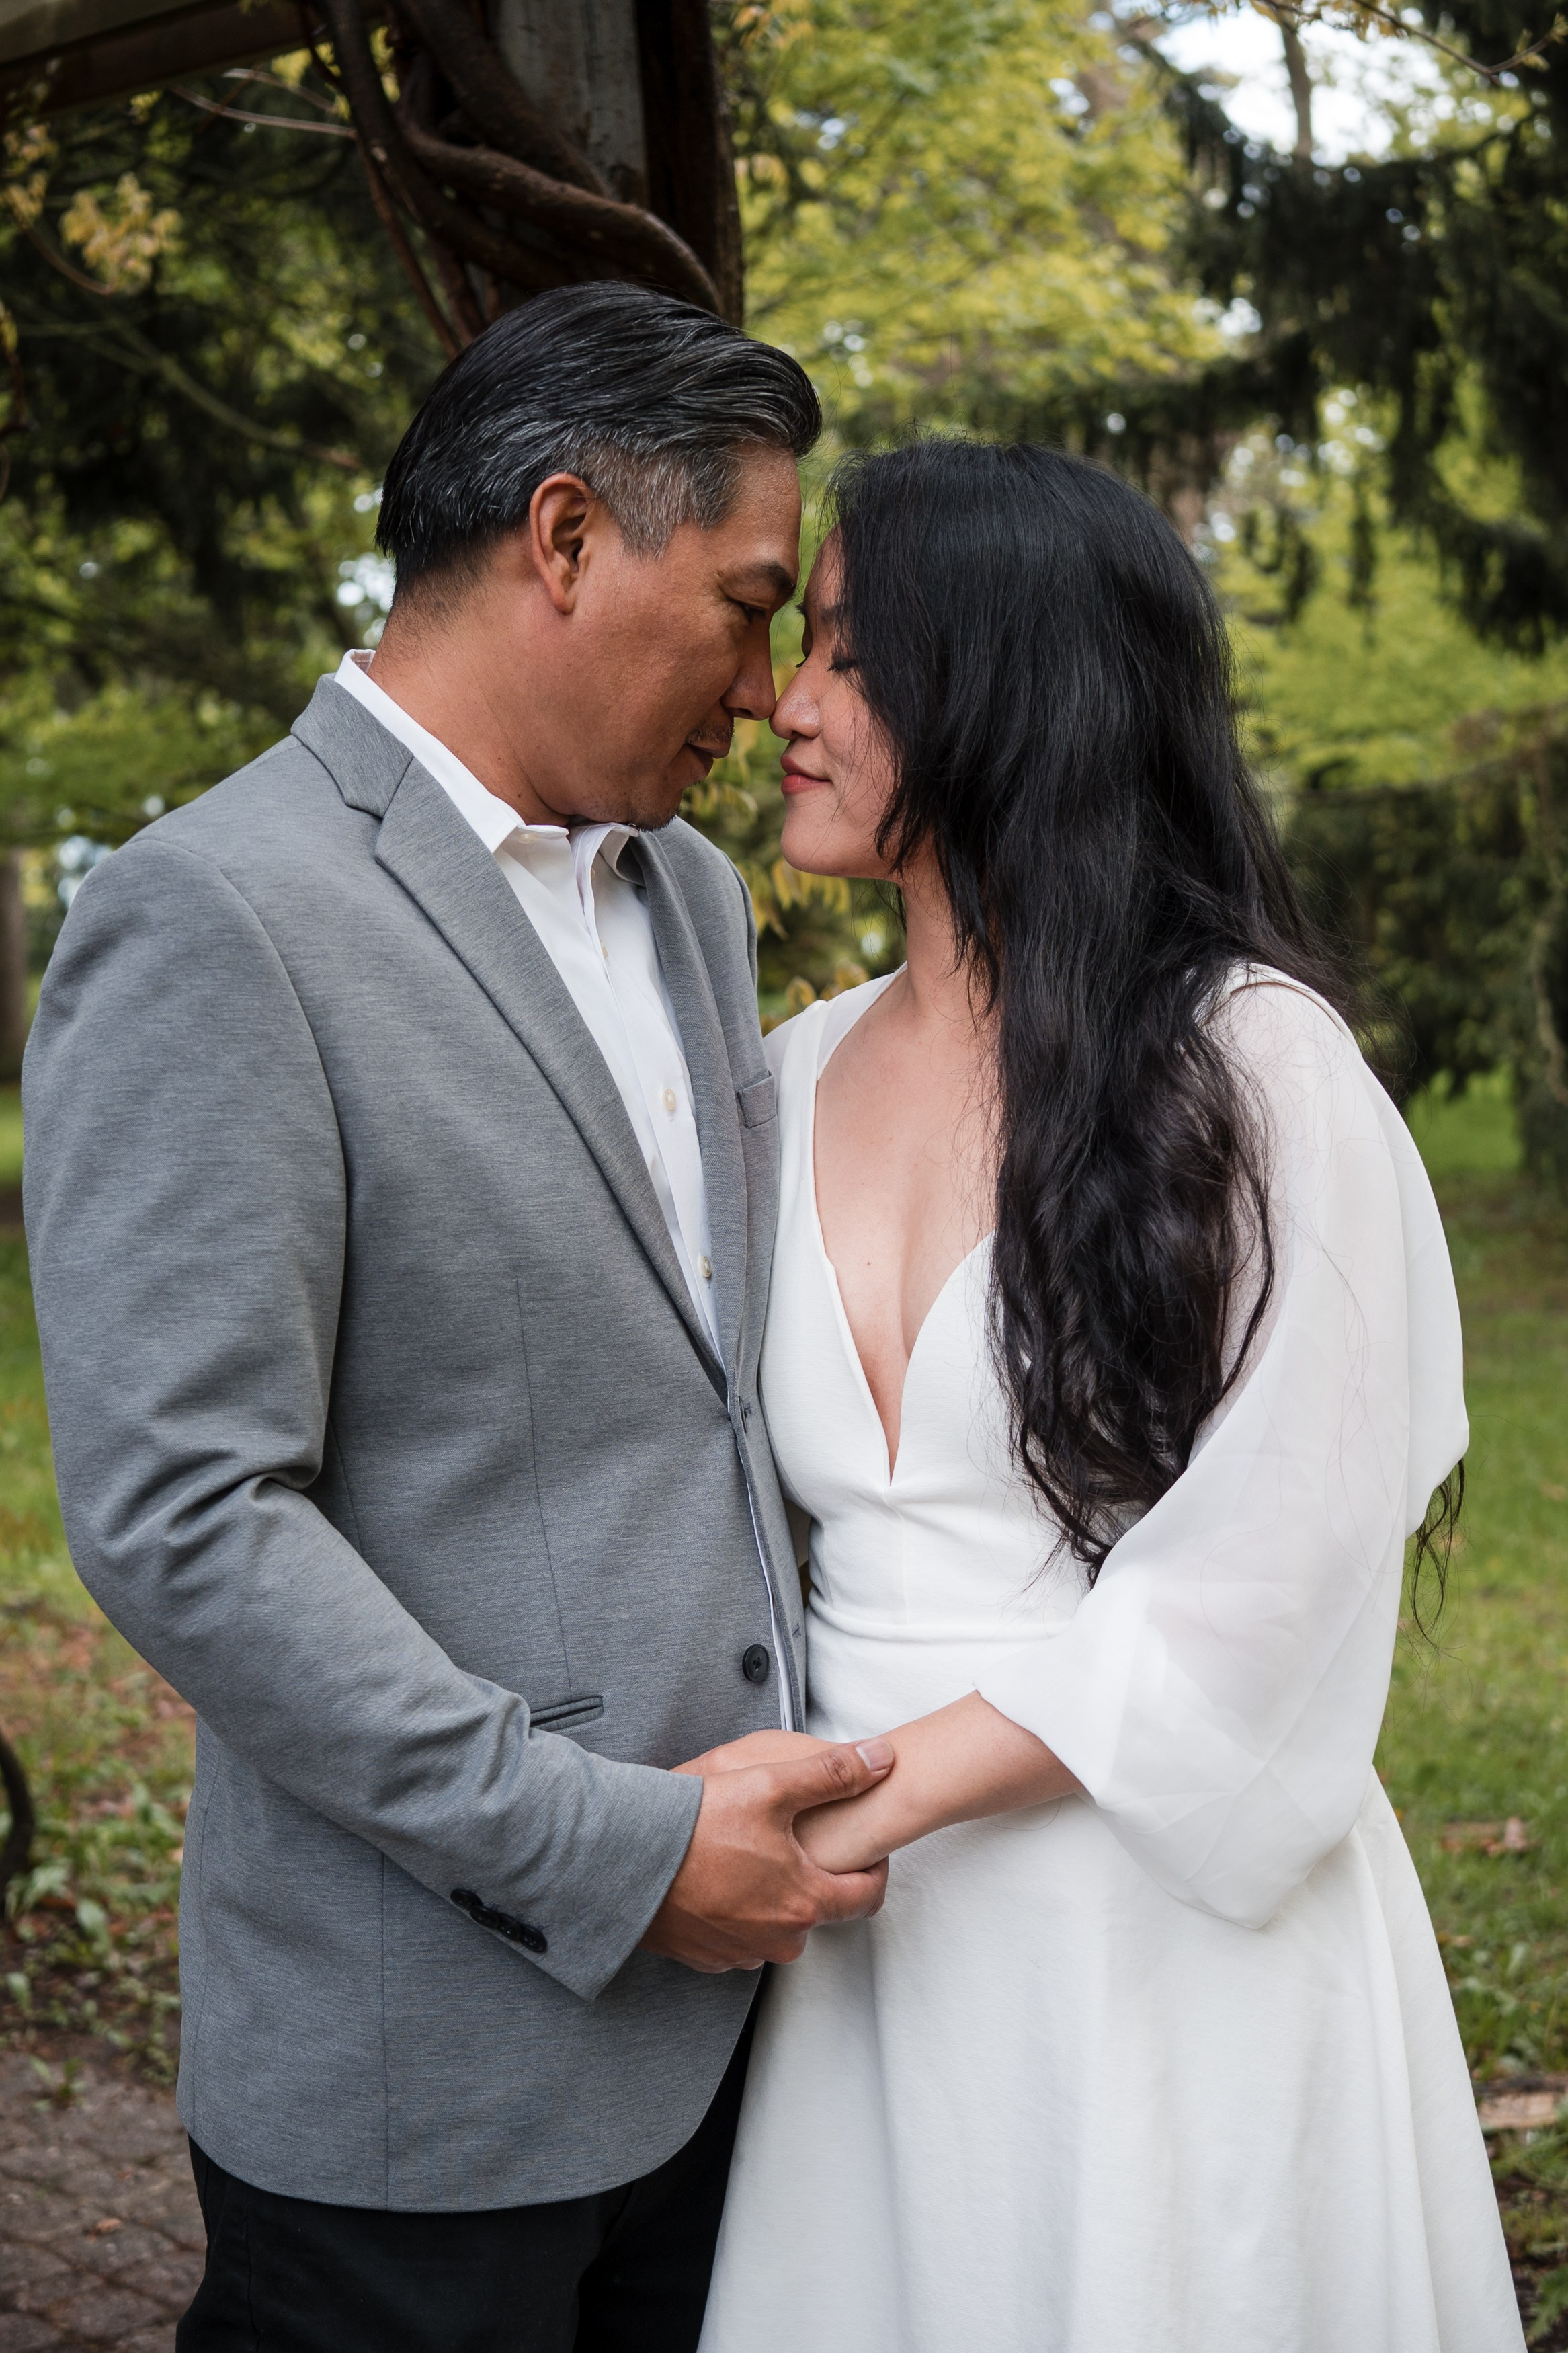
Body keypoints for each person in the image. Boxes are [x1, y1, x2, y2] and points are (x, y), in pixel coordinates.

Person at [22, 284, 897, 2353]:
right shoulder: (213, 913)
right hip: (428, 2091)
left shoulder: (683, 888)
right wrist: (612, 1851)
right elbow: (189, 1521)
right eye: (752, 604)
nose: (773, 692)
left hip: (750, 2045)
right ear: (570, 536)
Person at [696, 439, 1524, 2352]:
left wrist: (845, 1806)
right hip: (864, 1962)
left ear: (1008, 681)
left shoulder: (1257, 1070)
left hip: (1159, 1936)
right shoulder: (779, 1076)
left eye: (845, 655)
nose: (785, 705)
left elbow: (1268, 1589)